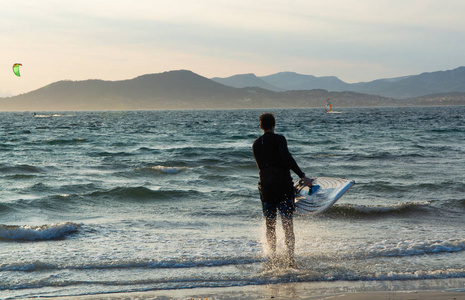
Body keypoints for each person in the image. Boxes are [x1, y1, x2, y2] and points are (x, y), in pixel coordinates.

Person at [252, 113, 313, 267]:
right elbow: (286, 157)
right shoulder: (280, 139)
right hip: (283, 187)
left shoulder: (256, 144)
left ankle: (272, 257)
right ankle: (290, 259)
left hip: (266, 189)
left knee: (270, 224)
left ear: (261, 127)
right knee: (287, 224)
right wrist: (302, 176)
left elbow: (262, 167)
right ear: (274, 124)